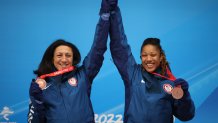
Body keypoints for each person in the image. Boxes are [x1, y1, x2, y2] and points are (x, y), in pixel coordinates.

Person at [27, 0, 117, 123]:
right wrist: (37, 101)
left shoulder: (83, 75)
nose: (64, 59)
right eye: (59, 55)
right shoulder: (41, 85)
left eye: (68, 55)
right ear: (52, 58)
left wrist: (104, 16)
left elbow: (98, 48)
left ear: (73, 59)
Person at [107, 1, 195, 123]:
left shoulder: (171, 82)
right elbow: (119, 45)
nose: (148, 59)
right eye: (144, 55)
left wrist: (184, 96)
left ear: (160, 57)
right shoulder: (133, 73)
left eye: (153, 55)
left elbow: (186, 116)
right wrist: (114, 11)